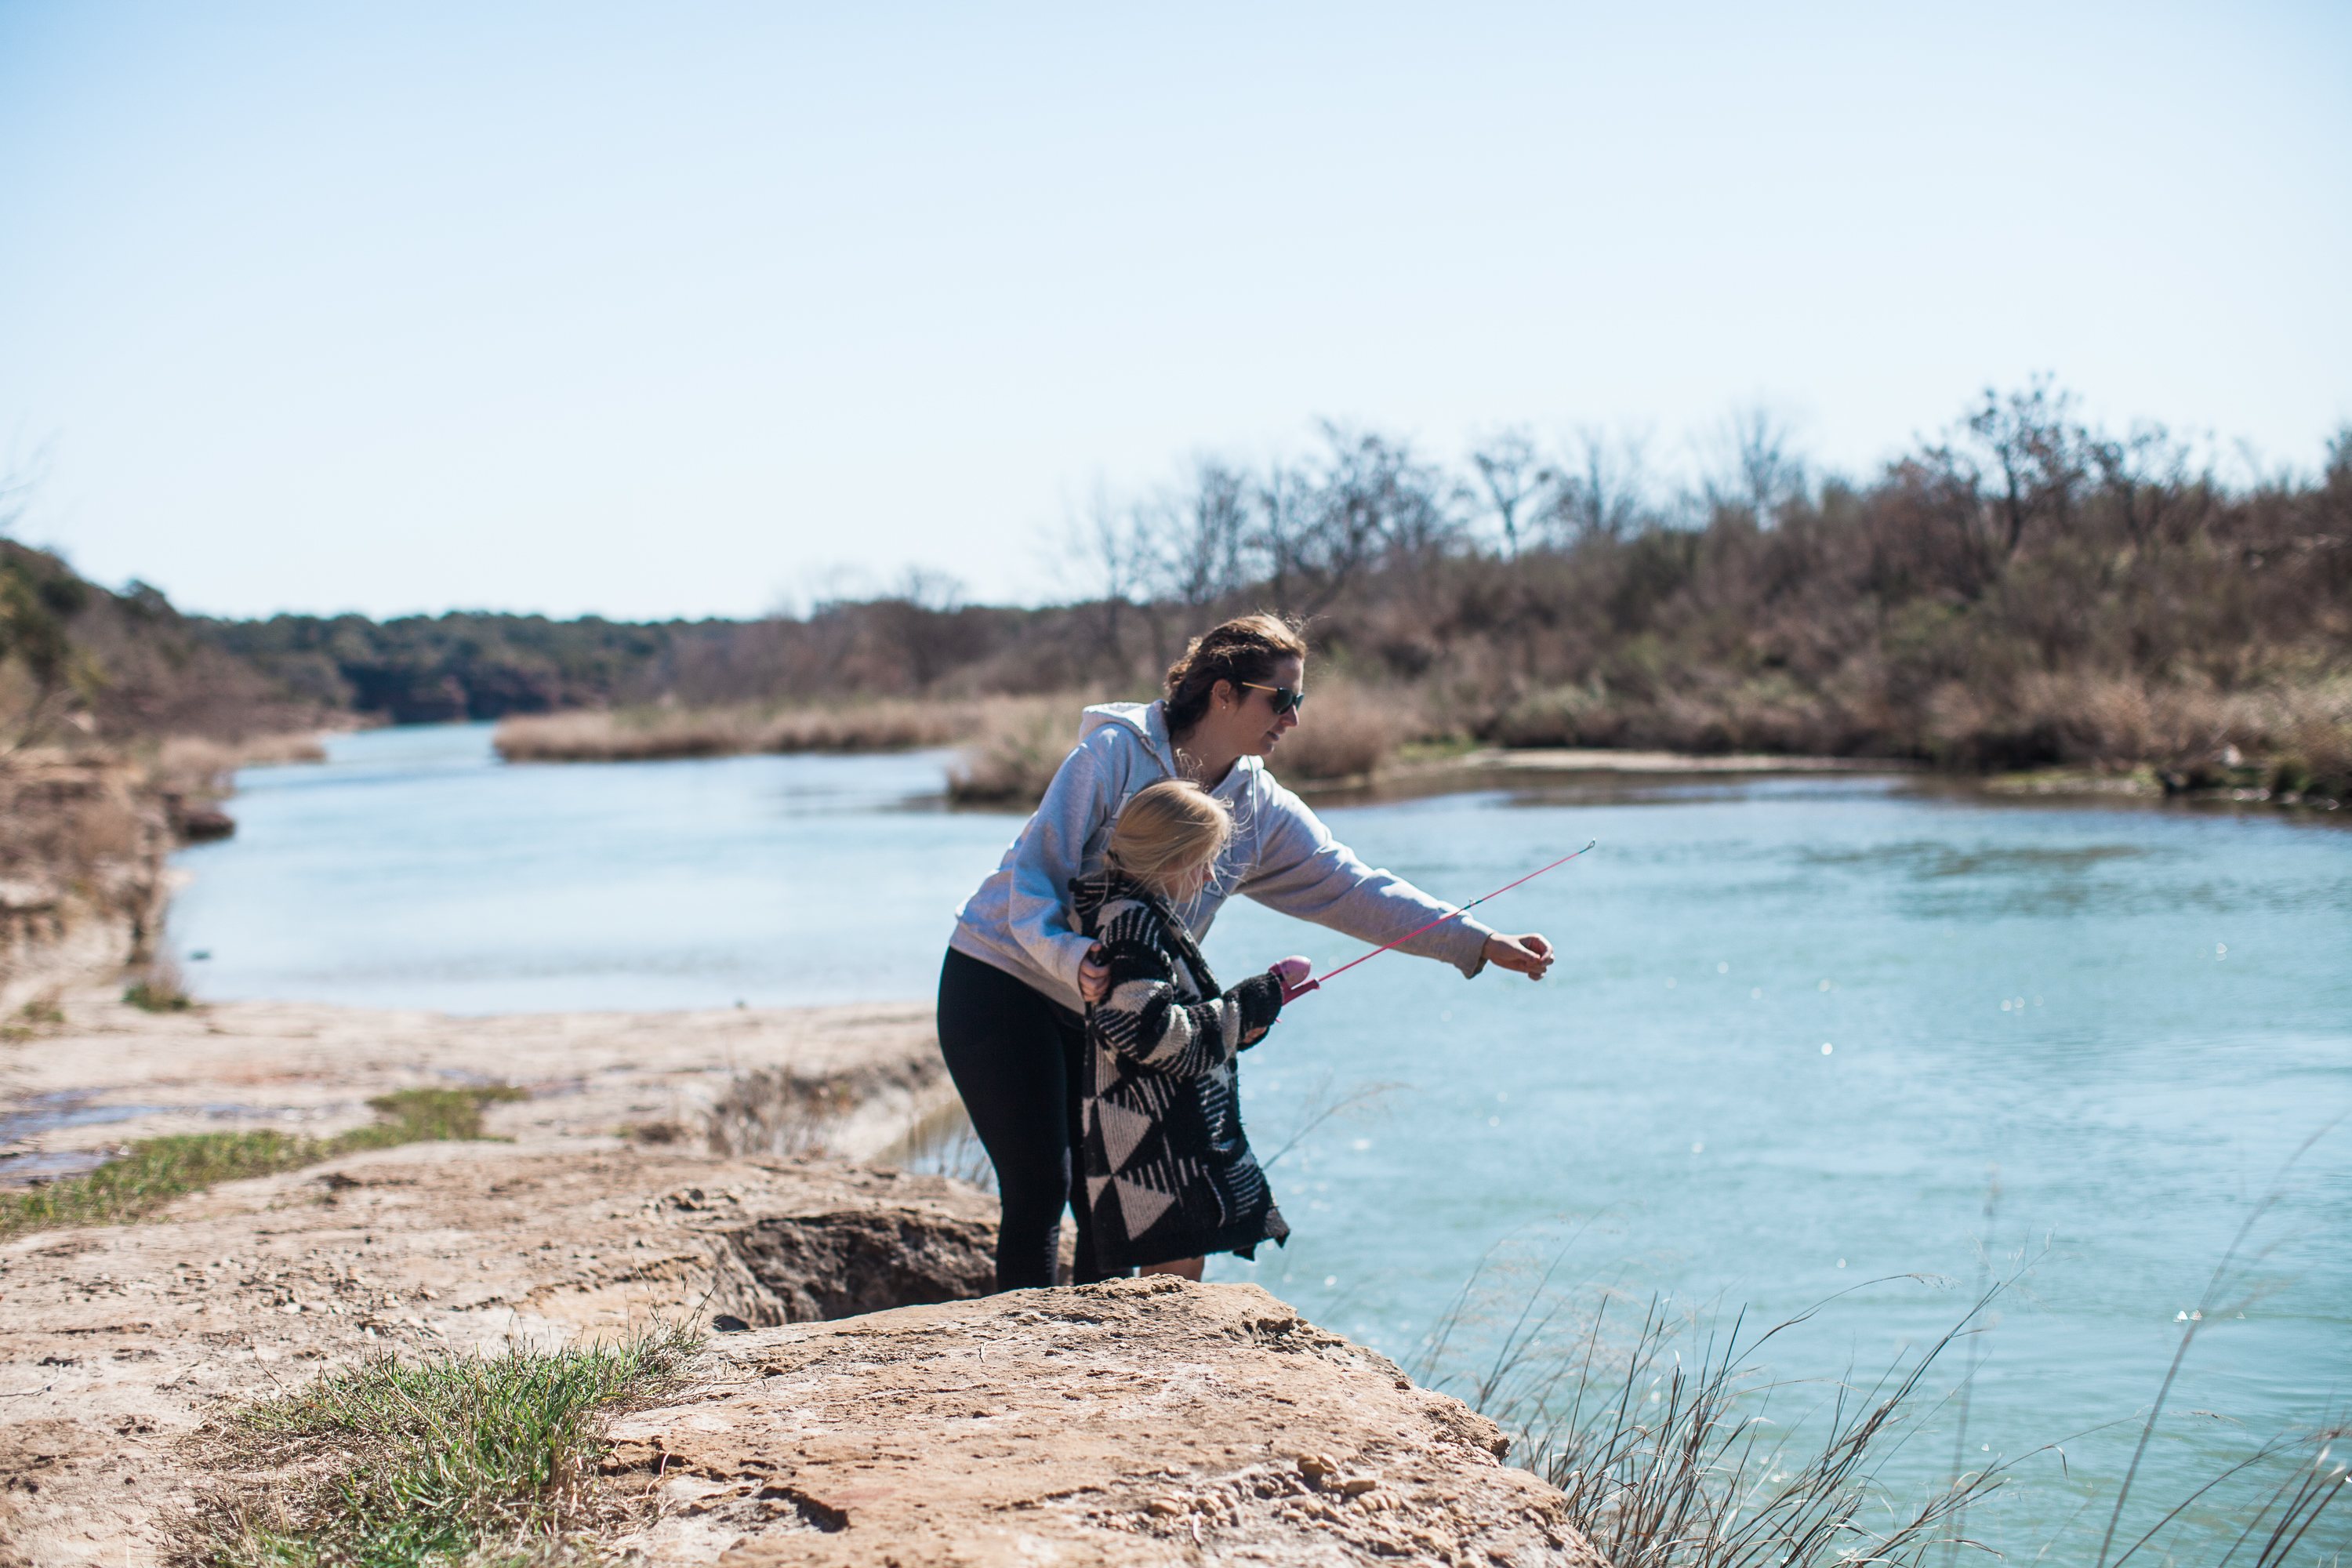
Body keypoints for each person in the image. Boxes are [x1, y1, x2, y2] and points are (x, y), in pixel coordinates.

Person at [937, 612, 1555, 1290]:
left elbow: (1352, 886)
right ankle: (1023, 1368)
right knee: (1039, 1186)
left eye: (1300, 701)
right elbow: (1033, 873)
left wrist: (1476, 939)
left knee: (1106, 1201)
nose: (1292, 719)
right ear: (1223, 694)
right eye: (1280, 699)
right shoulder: (1113, 757)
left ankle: (1095, 1364)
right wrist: (1068, 955)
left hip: (1112, 1010)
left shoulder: (1257, 806)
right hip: (1004, 978)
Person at [1070, 779, 1313, 1282]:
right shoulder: (1131, 925)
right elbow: (1152, 1034)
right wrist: (1243, 1009)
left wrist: (1244, 1024)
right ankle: (1152, 1361)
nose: (1208, 877)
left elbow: (1167, 1022)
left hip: (1155, 1136)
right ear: (1166, 858)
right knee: (1173, 1274)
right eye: (1202, 861)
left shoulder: (1136, 914)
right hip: (1152, 1147)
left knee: (1180, 1265)